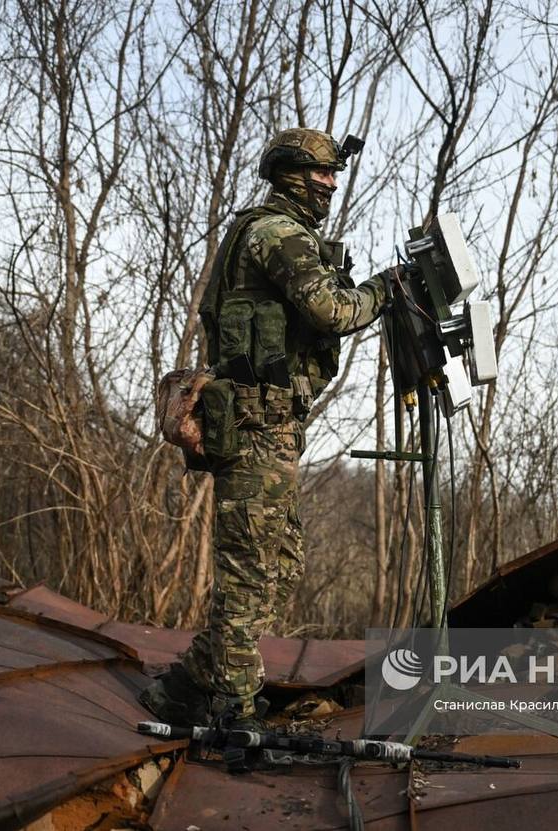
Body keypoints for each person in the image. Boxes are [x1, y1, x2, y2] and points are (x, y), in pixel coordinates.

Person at [141, 128, 392, 730]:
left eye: (334, 174)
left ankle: (187, 684)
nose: (331, 184)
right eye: (321, 174)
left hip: (269, 425)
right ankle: (232, 708)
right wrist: (386, 288)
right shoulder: (276, 234)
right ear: (290, 175)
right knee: (250, 570)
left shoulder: (273, 230)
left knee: (278, 563)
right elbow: (332, 311)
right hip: (256, 425)